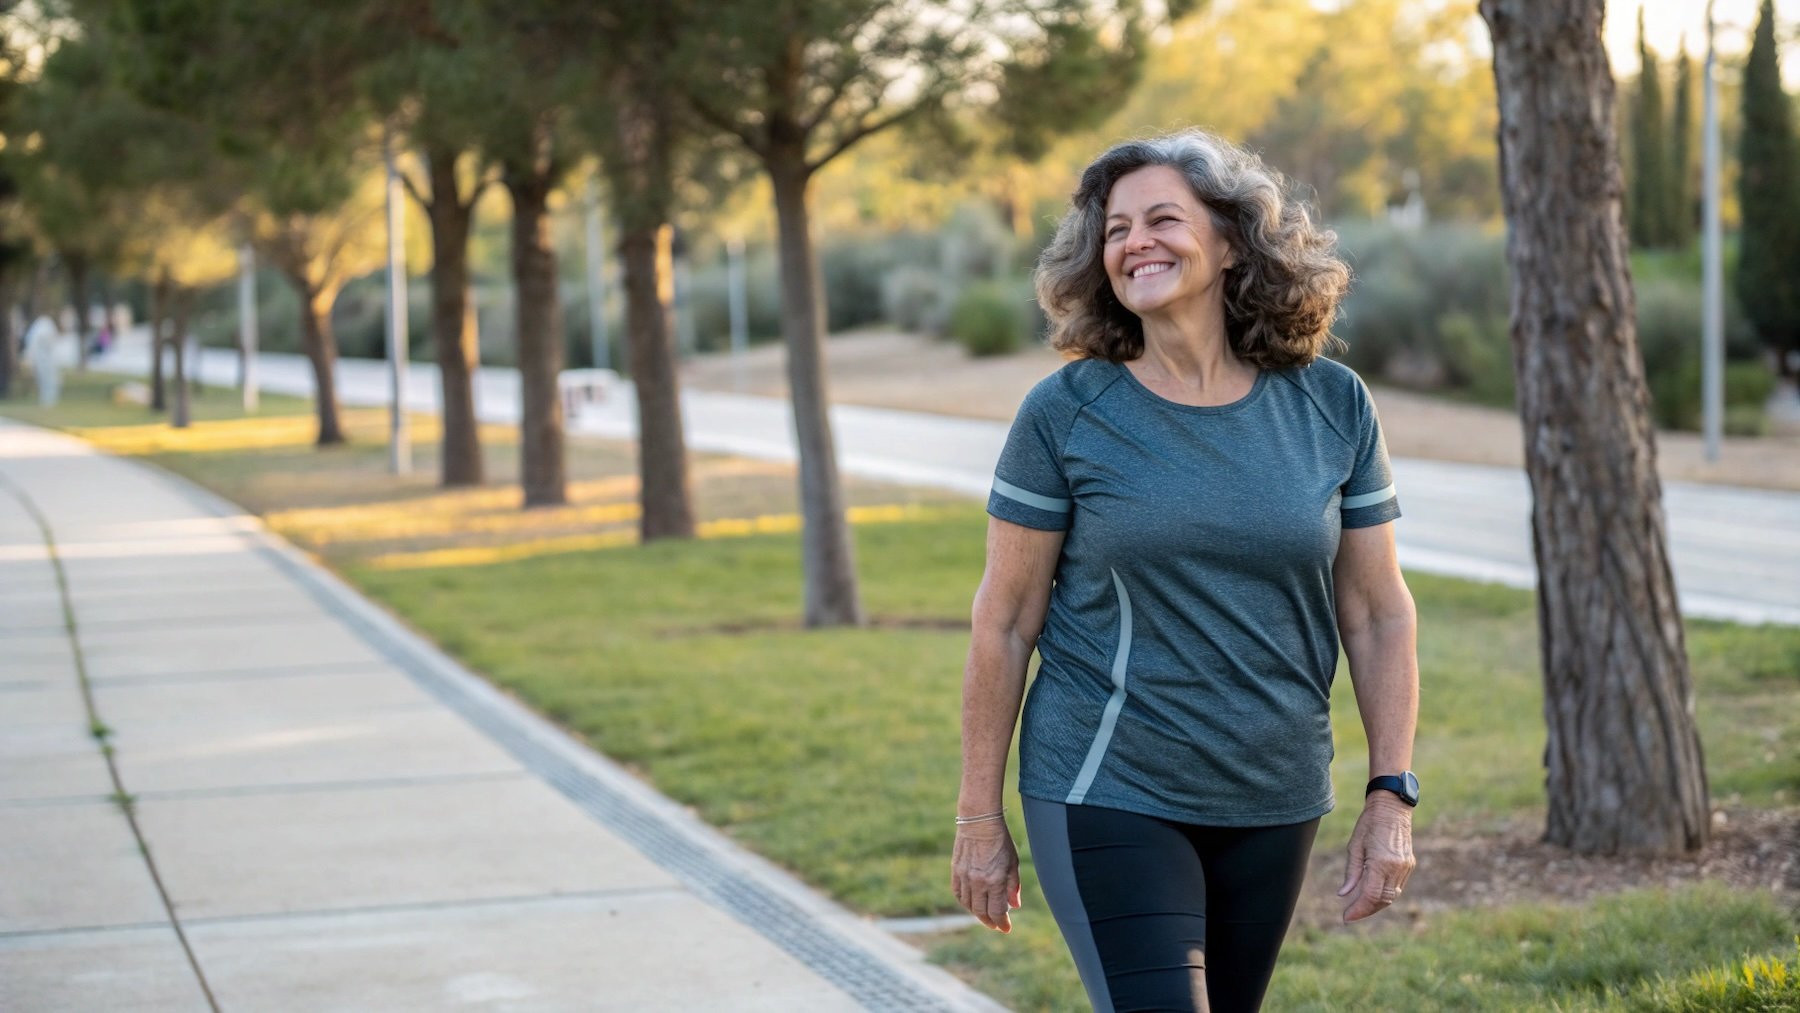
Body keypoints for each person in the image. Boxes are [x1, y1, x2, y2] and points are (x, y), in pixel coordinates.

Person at [952, 129, 1420, 1013]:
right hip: (1108, 782)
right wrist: (979, 818)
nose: (1135, 243)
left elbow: (1378, 613)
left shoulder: (1331, 403)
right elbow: (1005, 620)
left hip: (1275, 791)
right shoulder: (1066, 413)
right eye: (1116, 228)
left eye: (1163, 218)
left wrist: (1390, 793)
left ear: (1234, 239)